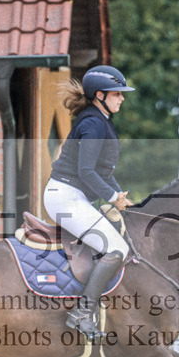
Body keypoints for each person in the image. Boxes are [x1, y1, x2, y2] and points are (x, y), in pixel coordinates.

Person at [43, 65, 135, 337]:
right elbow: (86, 172)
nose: (122, 98)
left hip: (73, 196)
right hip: (65, 197)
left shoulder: (100, 119)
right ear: (99, 95)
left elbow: (104, 172)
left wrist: (120, 197)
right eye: (117, 93)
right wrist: (110, 197)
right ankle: (82, 313)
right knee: (117, 249)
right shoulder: (94, 123)